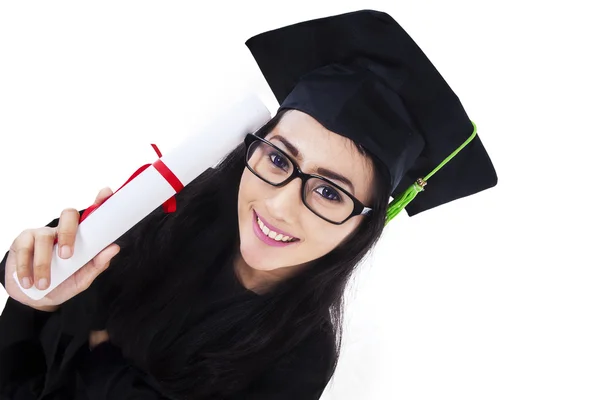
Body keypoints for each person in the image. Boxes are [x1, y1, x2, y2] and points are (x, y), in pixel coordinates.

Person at [0, 9, 497, 400]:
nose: (279, 206)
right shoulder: (164, 212)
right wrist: (33, 287)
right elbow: (26, 290)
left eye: (329, 192)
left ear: (364, 224)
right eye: (279, 158)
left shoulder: (300, 360)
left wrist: (96, 351)